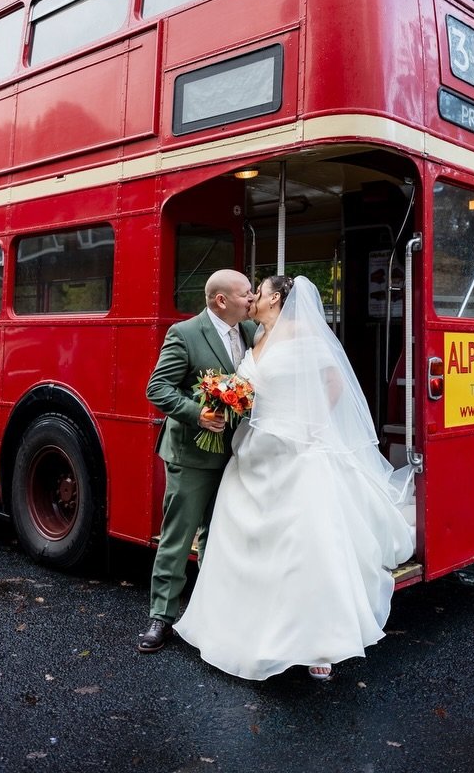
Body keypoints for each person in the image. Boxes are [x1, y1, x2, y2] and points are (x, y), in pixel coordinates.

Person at [173, 275, 416, 681]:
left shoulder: (305, 333)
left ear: (276, 299)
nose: (253, 297)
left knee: (305, 545)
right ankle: (243, 625)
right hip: (254, 448)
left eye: (259, 291)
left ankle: (319, 642)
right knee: (247, 540)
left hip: (297, 449)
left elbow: (333, 382)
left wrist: (311, 422)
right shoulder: (256, 336)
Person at [137, 269, 257, 653]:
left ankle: (211, 613)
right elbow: (157, 388)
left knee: (218, 536)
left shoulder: (251, 331)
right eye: (245, 293)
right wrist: (198, 413)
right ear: (221, 301)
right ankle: (161, 617)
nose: (252, 298)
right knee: (179, 536)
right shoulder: (185, 334)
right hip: (190, 454)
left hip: (235, 455)